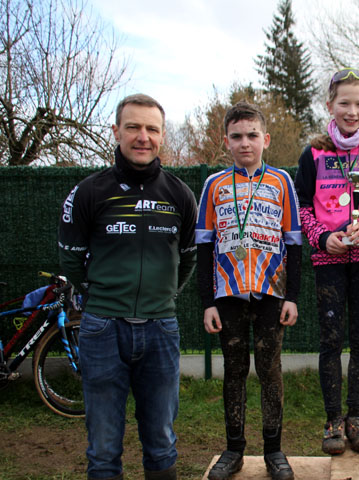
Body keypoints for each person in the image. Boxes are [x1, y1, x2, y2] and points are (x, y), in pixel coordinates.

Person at [58, 94, 198, 480]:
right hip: (102, 329)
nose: (143, 137)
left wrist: (162, 297)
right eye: (133, 127)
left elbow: (187, 259)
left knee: (161, 441)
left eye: (152, 129)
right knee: (103, 449)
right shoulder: (88, 192)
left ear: (162, 136)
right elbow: (71, 261)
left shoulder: (180, 195)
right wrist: (102, 299)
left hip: (161, 329)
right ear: (116, 131)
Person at [294, 68, 359, 455]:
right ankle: (332, 421)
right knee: (330, 340)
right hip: (329, 258)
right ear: (330, 106)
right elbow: (303, 207)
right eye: (344, 103)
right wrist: (322, 237)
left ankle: (356, 418)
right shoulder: (314, 153)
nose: (351, 111)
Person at [196, 101, 301, 480]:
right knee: (235, 371)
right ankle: (233, 449)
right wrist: (207, 302)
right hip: (228, 295)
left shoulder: (282, 182)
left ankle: (274, 450)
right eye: (237, 136)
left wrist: (293, 296)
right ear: (226, 141)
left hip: (271, 293)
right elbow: (204, 246)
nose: (245, 143)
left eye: (252, 135)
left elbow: (295, 243)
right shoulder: (214, 185)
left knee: (270, 371)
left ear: (266, 139)